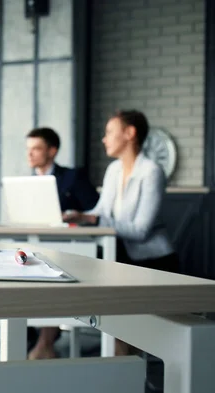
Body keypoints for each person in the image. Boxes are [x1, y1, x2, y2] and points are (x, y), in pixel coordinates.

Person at [63, 109, 179, 356]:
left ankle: (129, 371)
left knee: (129, 329)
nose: (104, 139)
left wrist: (93, 218)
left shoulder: (151, 171)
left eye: (109, 132)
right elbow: (101, 211)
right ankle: (124, 371)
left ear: (130, 133)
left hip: (154, 263)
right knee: (116, 324)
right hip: (123, 259)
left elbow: (141, 230)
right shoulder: (113, 170)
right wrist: (79, 215)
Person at [24, 127, 100, 359]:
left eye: (36, 148)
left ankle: (44, 343)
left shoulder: (73, 177)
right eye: (28, 149)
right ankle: (42, 340)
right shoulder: (27, 182)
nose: (30, 155)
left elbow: (95, 212)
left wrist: (74, 214)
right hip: (36, 246)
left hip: (72, 249)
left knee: (52, 276)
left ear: (52, 151)